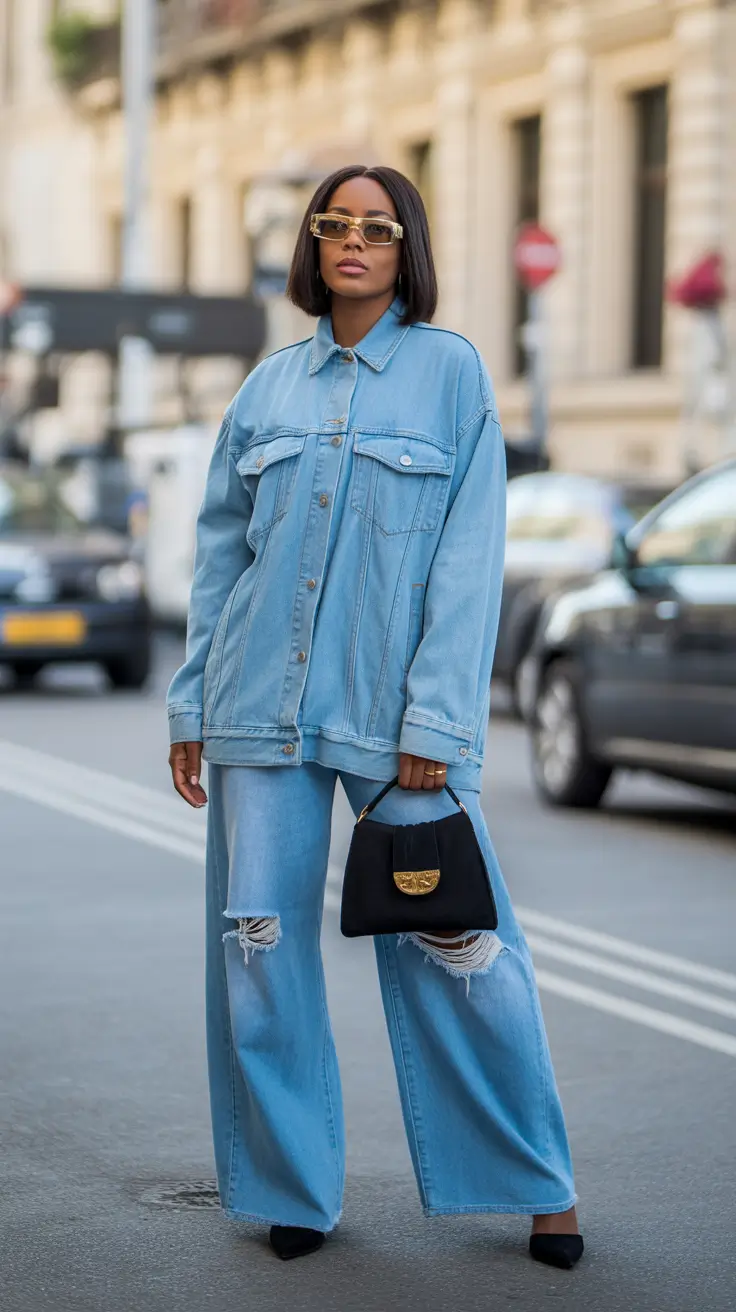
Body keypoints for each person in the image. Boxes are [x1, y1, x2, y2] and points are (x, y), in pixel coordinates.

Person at [167, 165, 583, 1269]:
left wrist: (438, 721)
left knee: (465, 948)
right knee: (258, 950)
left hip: (397, 723)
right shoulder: (266, 390)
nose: (354, 241)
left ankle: (539, 1183)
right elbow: (220, 563)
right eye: (335, 223)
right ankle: (291, 1188)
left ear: (407, 250)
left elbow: (469, 558)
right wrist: (191, 701)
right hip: (259, 710)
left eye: (378, 227)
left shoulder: (452, 374)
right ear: (312, 243)